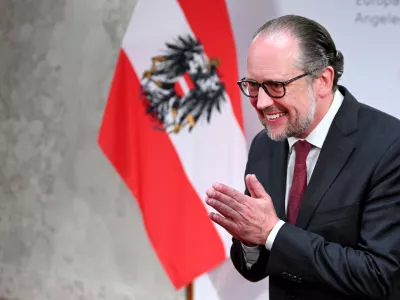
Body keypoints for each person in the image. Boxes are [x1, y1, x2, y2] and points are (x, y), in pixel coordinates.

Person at [205, 14, 400, 300]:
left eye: (275, 86)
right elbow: (254, 269)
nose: (261, 102)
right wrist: (250, 240)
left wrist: (272, 232)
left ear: (322, 80)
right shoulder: (265, 144)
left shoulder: (389, 146)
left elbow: (381, 276)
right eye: (252, 85)